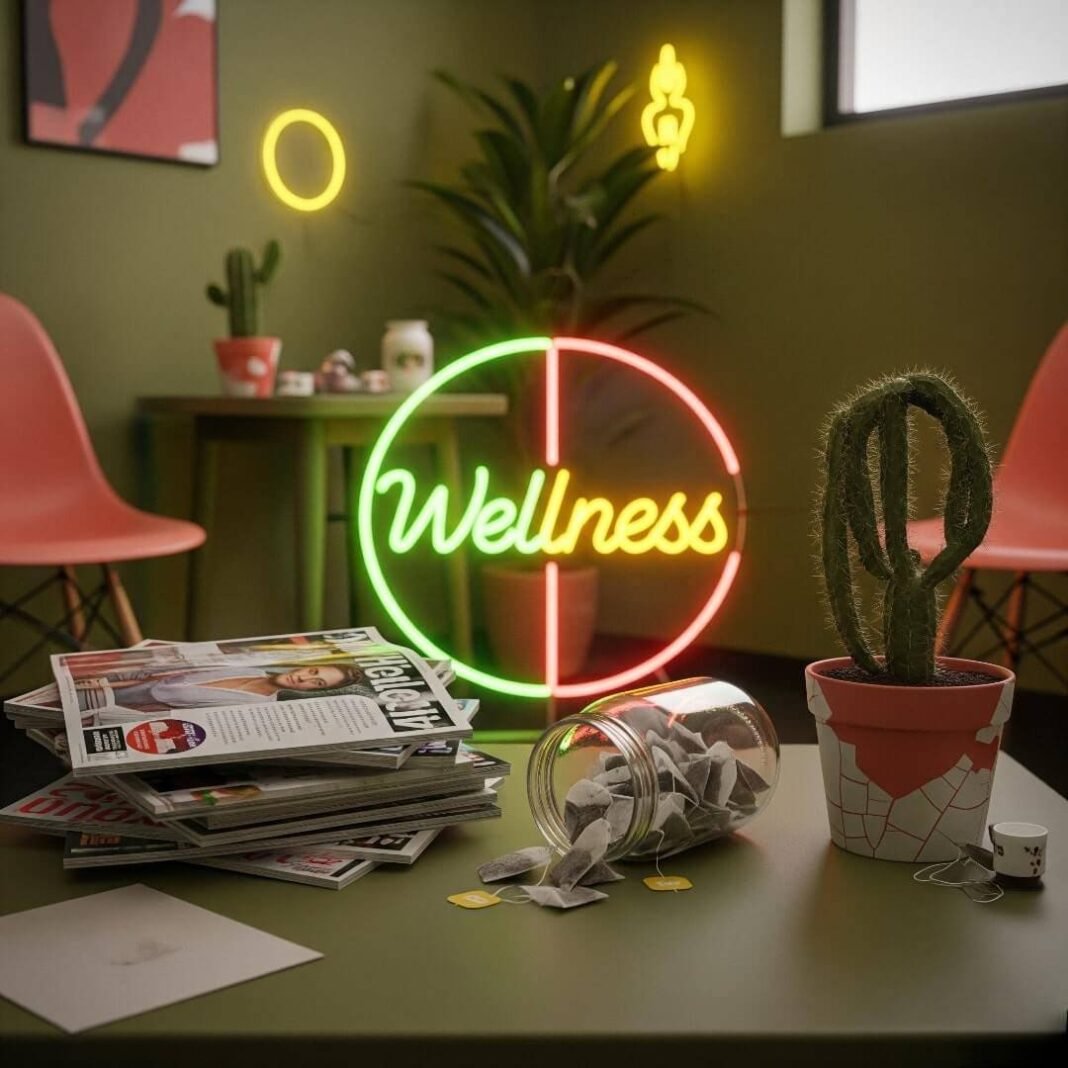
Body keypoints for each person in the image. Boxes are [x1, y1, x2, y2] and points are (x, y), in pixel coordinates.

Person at [89, 662, 372, 716]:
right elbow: (152, 672)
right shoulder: (248, 667)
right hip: (107, 685)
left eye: (317, 682)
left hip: (115, 713)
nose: (304, 679)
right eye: (312, 671)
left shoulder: (261, 708)